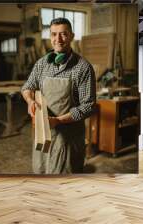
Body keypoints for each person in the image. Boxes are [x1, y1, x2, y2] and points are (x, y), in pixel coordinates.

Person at [21, 18, 96, 174]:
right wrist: (29, 101)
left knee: (64, 177)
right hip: (43, 134)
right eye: (54, 34)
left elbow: (88, 106)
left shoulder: (83, 68)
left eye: (63, 34)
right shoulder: (42, 64)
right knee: (41, 172)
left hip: (68, 138)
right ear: (50, 37)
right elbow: (27, 87)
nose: (58, 39)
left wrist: (58, 121)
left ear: (71, 36)